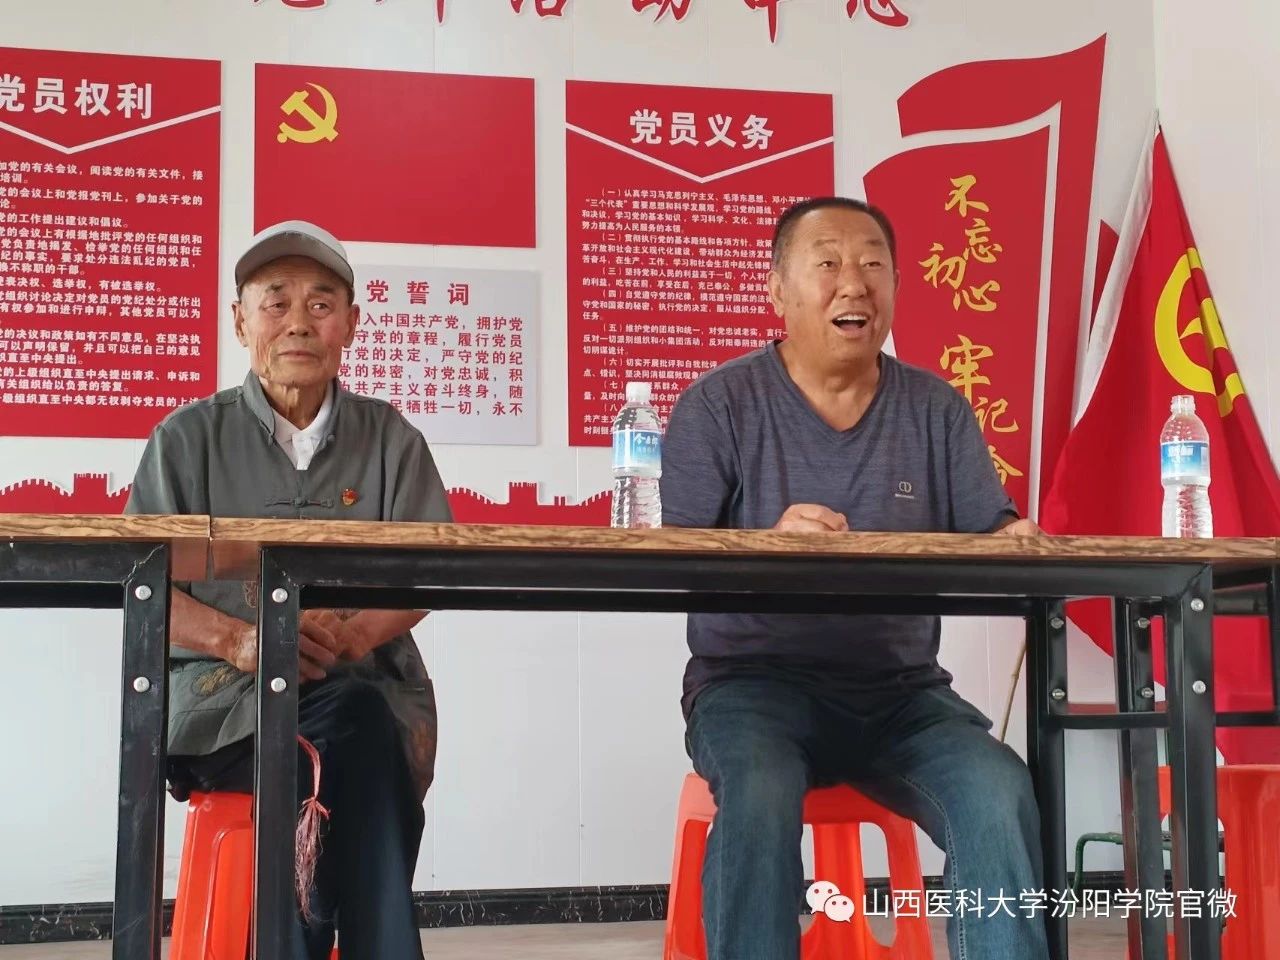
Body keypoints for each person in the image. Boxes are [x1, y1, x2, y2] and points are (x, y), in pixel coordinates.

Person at [659, 196, 1049, 960]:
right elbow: (676, 559)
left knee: (998, 791)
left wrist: (1015, 540)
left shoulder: (936, 410)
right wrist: (766, 547)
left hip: (901, 694)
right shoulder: (718, 405)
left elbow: (993, 531)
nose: (854, 284)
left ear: (896, 287)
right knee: (759, 795)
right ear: (777, 290)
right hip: (751, 687)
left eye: (873, 265)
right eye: (829, 263)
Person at [125, 220, 450, 960]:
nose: (299, 322)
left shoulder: (391, 439)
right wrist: (240, 641)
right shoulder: (186, 440)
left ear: (351, 324)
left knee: (354, 731)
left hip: (362, 687)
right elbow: (143, 589)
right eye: (276, 302)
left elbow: (428, 571)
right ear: (240, 322)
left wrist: (356, 635)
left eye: (321, 304)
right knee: (350, 748)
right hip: (222, 707)